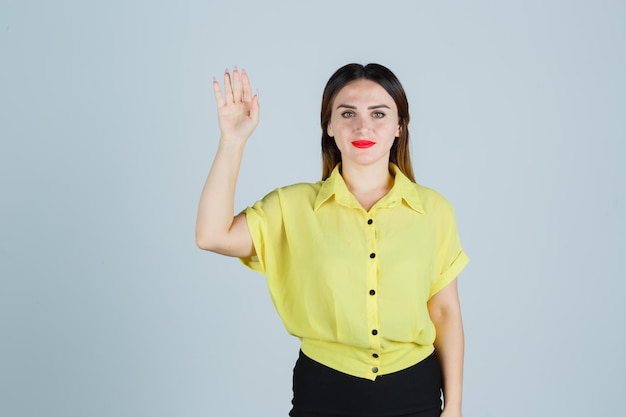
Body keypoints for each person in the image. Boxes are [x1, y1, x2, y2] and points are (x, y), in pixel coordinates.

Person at [196, 63, 469, 417]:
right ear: (329, 125)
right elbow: (212, 235)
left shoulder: (434, 210)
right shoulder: (291, 206)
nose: (362, 126)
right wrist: (232, 141)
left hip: (416, 392)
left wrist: (456, 407)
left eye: (379, 113)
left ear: (399, 126)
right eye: (347, 113)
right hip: (325, 391)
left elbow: (446, 313)